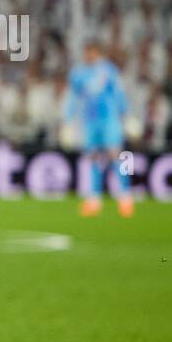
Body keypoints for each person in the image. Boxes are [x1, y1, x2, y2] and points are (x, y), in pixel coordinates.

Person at [63, 43, 133, 217]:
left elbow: (118, 92)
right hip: (90, 120)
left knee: (117, 155)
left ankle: (125, 196)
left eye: (91, 51)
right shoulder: (79, 73)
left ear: (97, 52)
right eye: (86, 51)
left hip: (109, 118)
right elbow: (73, 96)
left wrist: (126, 114)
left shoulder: (108, 70)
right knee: (93, 157)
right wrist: (68, 120)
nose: (88, 55)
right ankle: (95, 199)